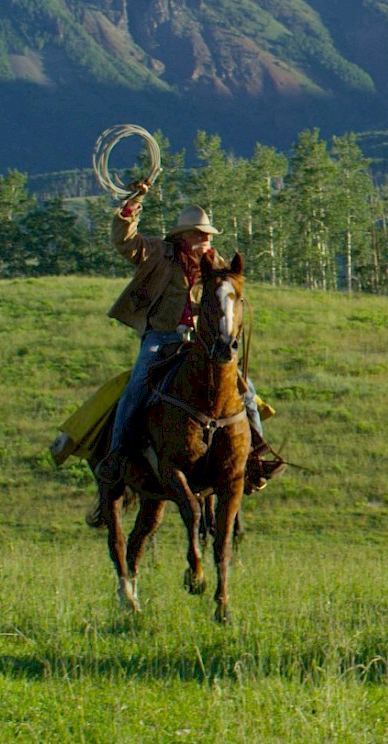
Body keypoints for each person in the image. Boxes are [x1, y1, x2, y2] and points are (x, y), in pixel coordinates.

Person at [87, 182, 266, 527]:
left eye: (209, 237)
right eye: (201, 236)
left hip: (201, 343)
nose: (207, 242)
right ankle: (117, 451)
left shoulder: (213, 265)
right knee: (137, 386)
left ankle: (254, 457)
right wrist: (132, 205)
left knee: (247, 391)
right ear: (183, 236)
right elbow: (124, 242)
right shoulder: (158, 253)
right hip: (161, 338)